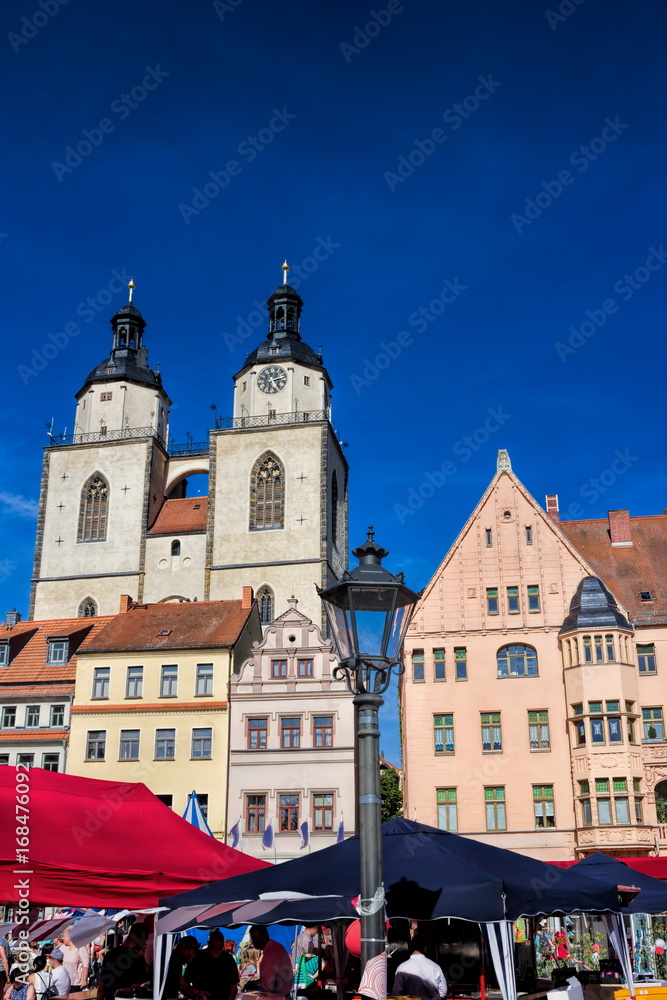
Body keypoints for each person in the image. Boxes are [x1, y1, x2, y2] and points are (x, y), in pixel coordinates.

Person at [182, 930, 238, 1000]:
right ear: (209, 944)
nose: (217, 952)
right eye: (215, 948)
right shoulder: (197, 958)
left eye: (220, 948)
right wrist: (196, 993)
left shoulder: (228, 959)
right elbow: (185, 983)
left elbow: (233, 985)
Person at [96, 924, 147, 1000]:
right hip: (126, 997)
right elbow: (137, 986)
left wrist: (99, 997)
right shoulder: (139, 959)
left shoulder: (110, 953)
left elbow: (101, 983)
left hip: (109, 996)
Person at [393, 936, 447, 1000]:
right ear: (425, 948)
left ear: (410, 947)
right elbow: (443, 991)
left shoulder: (402, 968)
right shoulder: (435, 967)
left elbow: (397, 993)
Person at [248, 926, 293, 998]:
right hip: (281, 995)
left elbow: (267, 985)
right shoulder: (276, 946)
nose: (253, 941)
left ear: (264, 936)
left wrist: (254, 985)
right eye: (252, 939)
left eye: (255, 938)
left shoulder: (271, 951)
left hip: (278, 997)